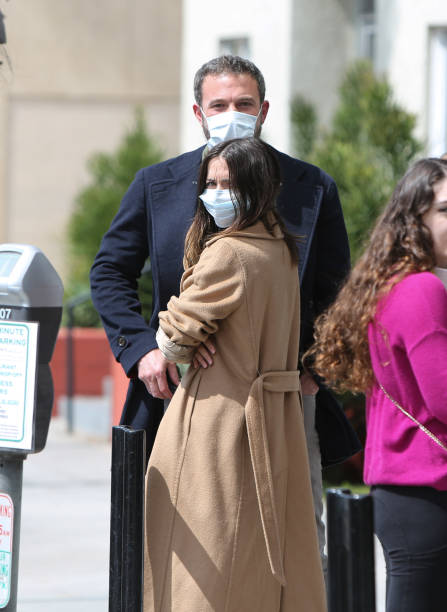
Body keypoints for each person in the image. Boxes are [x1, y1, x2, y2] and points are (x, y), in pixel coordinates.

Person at [90, 55, 360, 570]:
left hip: (278, 393)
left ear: (264, 110)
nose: (232, 113)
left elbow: (336, 291)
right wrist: (142, 350)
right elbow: (108, 272)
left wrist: (316, 368)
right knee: (181, 542)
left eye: (244, 103)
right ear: (198, 111)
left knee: (290, 542)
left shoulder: (310, 186)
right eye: (219, 104)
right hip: (176, 389)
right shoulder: (157, 183)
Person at [143, 137, 326, 612]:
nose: (218, 193)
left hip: (222, 420)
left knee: (209, 564)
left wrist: (188, 342)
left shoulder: (230, 254)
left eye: (230, 183)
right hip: (274, 420)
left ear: (259, 188)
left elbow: (172, 337)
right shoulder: (281, 249)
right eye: (212, 182)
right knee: (257, 563)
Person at [306, 158, 447, 612]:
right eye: (445, 210)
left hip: (406, 487)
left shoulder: (391, 286)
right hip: (427, 489)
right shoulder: (423, 289)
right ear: (415, 219)